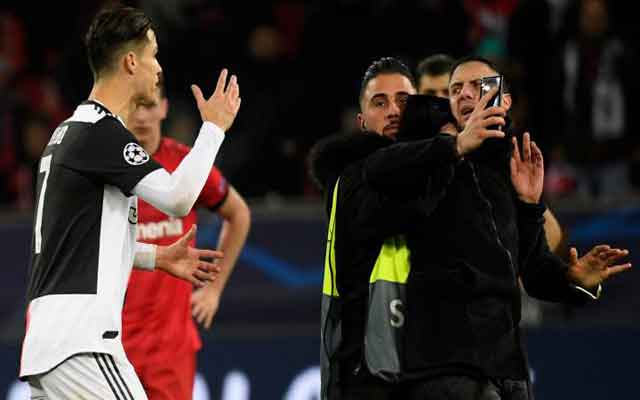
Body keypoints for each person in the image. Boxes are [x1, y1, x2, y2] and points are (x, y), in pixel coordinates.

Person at [309, 56, 631, 399]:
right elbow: (379, 170)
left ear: (504, 98)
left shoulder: (505, 170)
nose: (395, 112)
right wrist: (454, 145)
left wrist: (572, 278)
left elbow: (531, 266)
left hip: (506, 364)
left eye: (478, 87)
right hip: (433, 366)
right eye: (455, 89)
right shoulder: (415, 170)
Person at [19, 6, 241, 399]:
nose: (158, 68)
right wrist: (213, 131)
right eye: (153, 55)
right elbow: (178, 198)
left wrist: (157, 258)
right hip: (82, 345)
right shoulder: (100, 133)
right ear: (130, 61)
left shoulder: (68, 132)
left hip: (47, 347)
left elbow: (82, 242)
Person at [123, 85, 251, 400]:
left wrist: (214, 289)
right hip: (113, 343)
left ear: (164, 108)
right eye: (134, 106)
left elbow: (239, 214)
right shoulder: (109, 169)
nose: (141, 116)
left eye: (149, 105)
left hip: (170, 347)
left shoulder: (186, 166)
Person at [415, 52, 566, 253]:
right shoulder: (408, 154)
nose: (439, 102)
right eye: (430, 94)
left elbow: (552, 233)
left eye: (446, 92)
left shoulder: (503, 156)